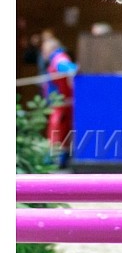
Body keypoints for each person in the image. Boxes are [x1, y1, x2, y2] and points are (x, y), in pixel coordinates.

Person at [40, 33, 78, 166]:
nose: (42, 53)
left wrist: (71, 72)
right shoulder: (56, 58)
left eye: (43, 50)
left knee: (57, 133)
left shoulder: (58, 59)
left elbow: (71, 69)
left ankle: (55, 163)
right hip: (58, 104)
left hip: (61, 105)